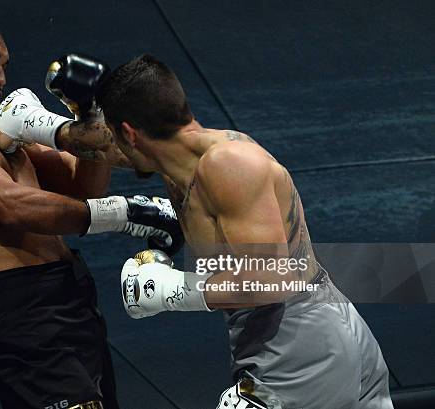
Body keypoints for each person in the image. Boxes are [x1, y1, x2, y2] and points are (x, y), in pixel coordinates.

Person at [0, 17, 183, 409]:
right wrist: (127, 213)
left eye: (4, 66)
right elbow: (11, 207)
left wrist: (90, 112)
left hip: (71, 295)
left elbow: (82, 185)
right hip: (22, 308)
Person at [93, 54, 394, 409]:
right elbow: (96, 144)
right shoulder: (185, 160)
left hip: (294, 342)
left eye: (116, 135)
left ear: (129, 133)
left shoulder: (227, 164)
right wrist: (35, 127)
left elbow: (272, 279)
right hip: (319, 329)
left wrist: (170, 289)